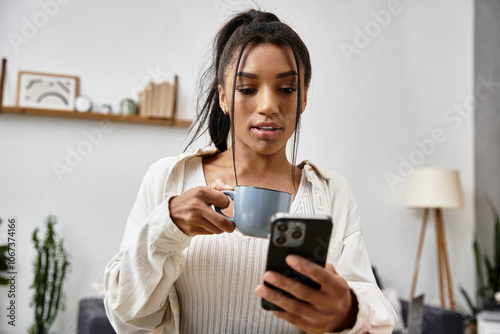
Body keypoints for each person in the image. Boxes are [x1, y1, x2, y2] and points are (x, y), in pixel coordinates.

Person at [104, 9, 397, 334]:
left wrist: (347, 314)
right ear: (223, 97)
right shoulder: (168, 180)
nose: (268, 105)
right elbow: (126, 314)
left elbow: (377, 318)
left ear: (303, 98)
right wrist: (167, 226)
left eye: (286, 89)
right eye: (247, 89)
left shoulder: (330, 193)